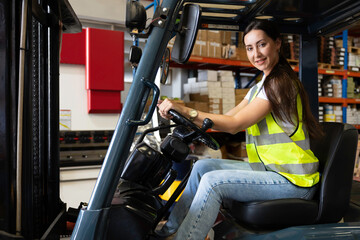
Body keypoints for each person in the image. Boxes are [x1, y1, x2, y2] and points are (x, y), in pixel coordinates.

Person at [156, 19, 323, 240]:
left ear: (277, 43)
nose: (256, 54)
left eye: (262, 45)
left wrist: (188, 112)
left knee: (213, 183)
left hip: (293, 180)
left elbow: (236, 125)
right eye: (250, 48)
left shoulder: (281, 83)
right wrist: (186, 116)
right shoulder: (258, 87)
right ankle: (168, 231)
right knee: (203, 166)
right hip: (270, 170)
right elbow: (228, 118)